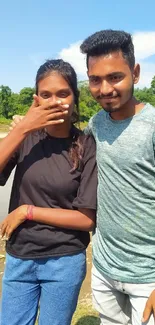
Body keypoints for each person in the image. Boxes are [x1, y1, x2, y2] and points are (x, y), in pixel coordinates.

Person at [0, 59, 97, 325]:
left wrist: (27, 211)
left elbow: (87, 219)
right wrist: (21, 128)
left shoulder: (86, 145)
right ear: (36, 100)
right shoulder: (24, 139)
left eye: (63, 94)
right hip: (20, 257)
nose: (54, 101)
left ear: (75, 98)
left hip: (64, 260)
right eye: (46, 95)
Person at [79, 30, 155, 325]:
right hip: (105, 267)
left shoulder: (151, 127)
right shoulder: (97, 123)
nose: (104, 88)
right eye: (95, 79)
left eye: (115, 77)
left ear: (135, 73)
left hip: (148, 276)